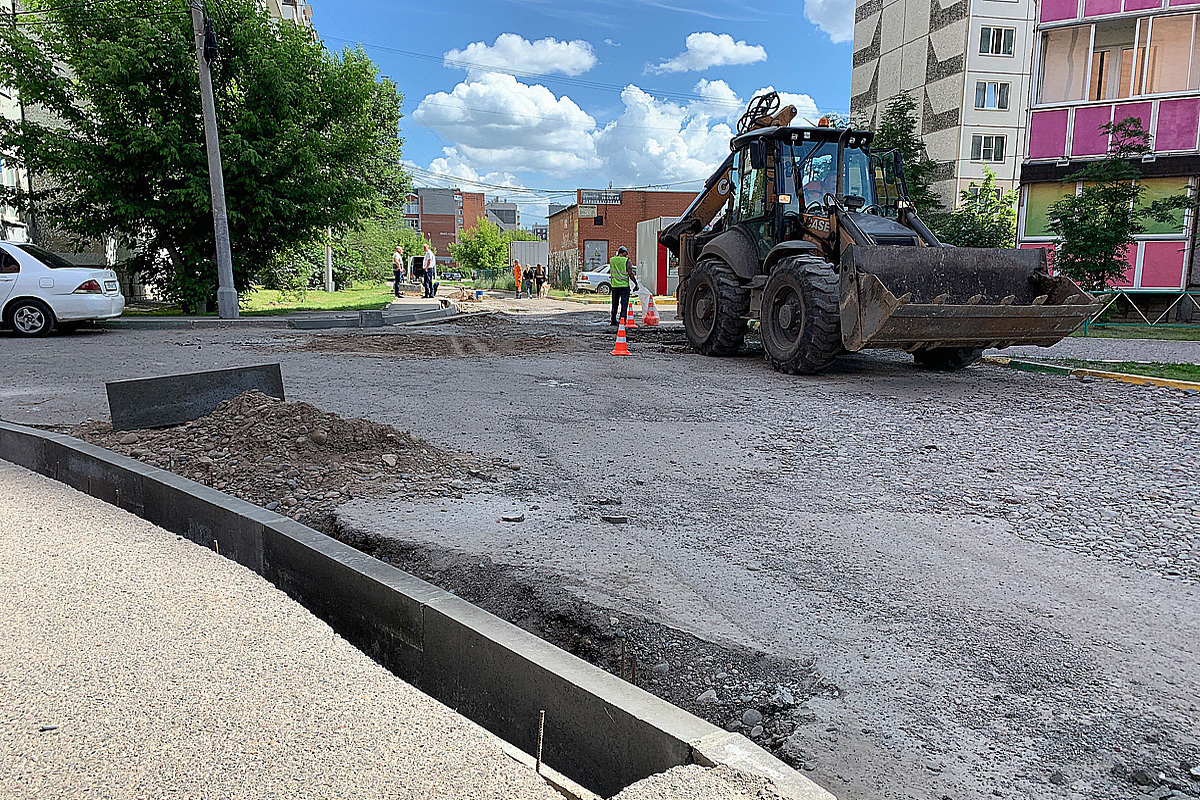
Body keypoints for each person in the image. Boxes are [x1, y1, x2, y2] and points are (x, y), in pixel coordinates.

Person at [608, 245, 638, 326]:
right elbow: (630, 273)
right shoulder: (626, 261)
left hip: (614, 286)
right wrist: (636, 283)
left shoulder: (612, 260)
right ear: (624, 252)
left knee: (614, 304)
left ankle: (613, 320)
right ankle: (622, 320)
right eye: (626, 253)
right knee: (624, 304)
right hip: (624, 286)